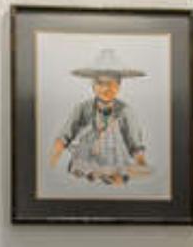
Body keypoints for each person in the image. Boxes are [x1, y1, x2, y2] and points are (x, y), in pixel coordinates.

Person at [48, 48, 150, 185]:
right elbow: (66, 133)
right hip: (86, 160)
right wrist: (55, 156)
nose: (105, 89)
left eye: (111, 84)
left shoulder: (125, 110)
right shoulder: (83, 108)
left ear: (119, 86)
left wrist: (141, 161)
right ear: (93, 85)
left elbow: (134, 140)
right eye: (100, 84)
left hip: (115, 160)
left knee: (116, 184)